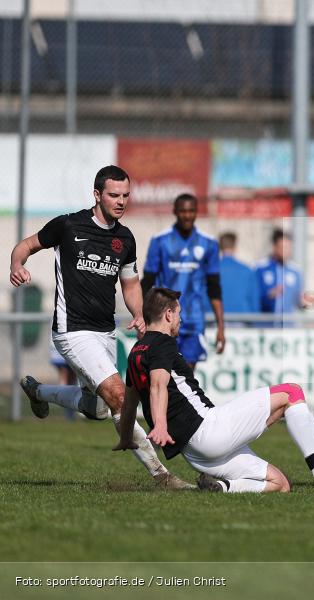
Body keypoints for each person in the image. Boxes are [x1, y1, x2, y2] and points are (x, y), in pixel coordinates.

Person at [10, 165, 191, 490]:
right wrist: (16, 264)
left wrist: (139, 314)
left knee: (97, 409)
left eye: (125, 195)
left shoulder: (125, 238)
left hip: (104, 331)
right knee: (119, 396)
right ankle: (161, 476)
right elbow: (25, 245)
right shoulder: (68, 225)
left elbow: (130, 284)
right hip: (72, 330)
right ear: (97, 194)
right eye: (114, 195)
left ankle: (38, 392)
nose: (121, 201)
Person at [121, 287, 314, 493]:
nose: (180, 320)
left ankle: (222, 487)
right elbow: (158, 385)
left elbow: (129, 402)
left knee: (280, 484)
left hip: (194, 454)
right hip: (208, 430)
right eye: (178, 314)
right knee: (292, 392)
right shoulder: (163, 343)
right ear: (168, 314)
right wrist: (160, 425)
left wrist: (125, 437)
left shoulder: (136, 352)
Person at [141, 194, 225, 370]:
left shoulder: (209, 243)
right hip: (164, 319)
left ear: (196, 212)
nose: (187, 215)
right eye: (183, 211)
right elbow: (147, 283)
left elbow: (214, 288)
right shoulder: (160, 241)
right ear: (175, 212)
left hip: (194, 320)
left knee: (186, 373)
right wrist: (142, 319)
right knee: (162, 372)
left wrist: (221, 327)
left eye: (191, 211)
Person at [256, 229, 314, 320]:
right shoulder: (260, 268)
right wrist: (268, 296)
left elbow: (299, 302)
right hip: (265, 325)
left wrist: (305, 302)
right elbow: (252, 298)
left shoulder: (296, 271)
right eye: (283, 247)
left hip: (288, 326)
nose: (286, 251)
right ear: (274, 247)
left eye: (288, 247)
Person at [218, 232, 261, 317]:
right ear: (234, 246)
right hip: (242, 320)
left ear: (220, 246)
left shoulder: (209, 271)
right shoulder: (247, 270)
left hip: (215, 320)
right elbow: (254, 301)